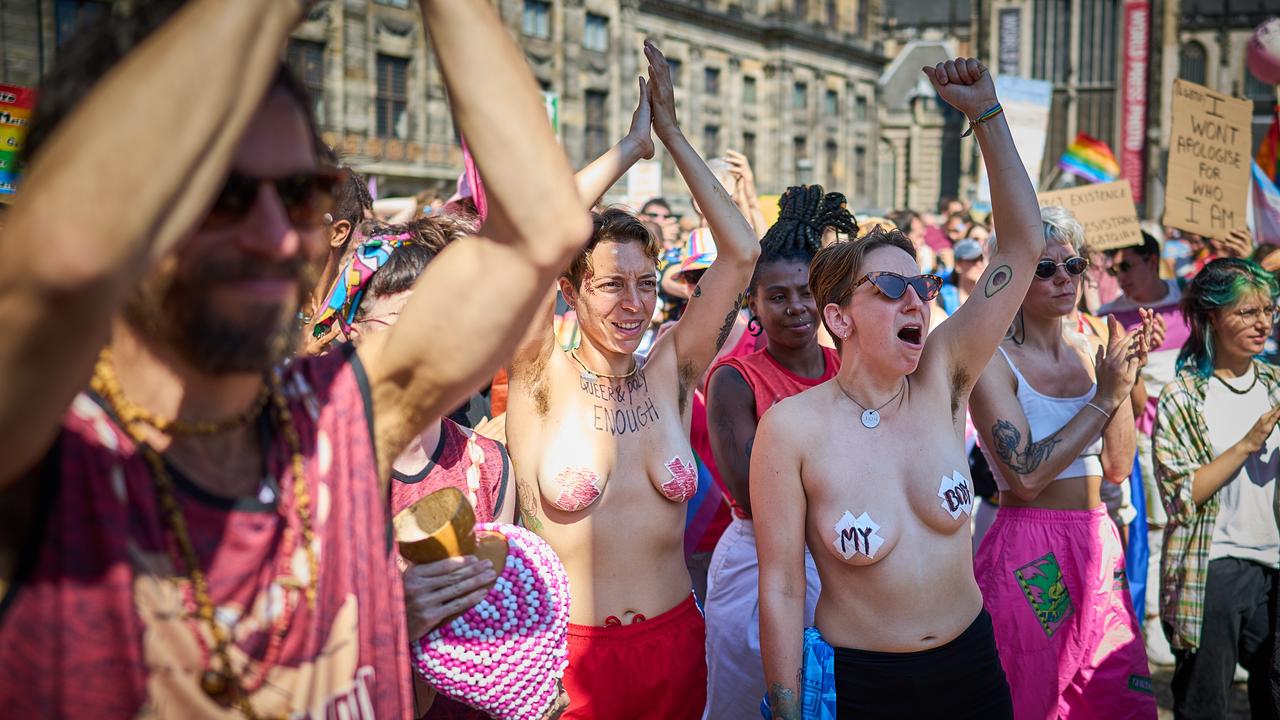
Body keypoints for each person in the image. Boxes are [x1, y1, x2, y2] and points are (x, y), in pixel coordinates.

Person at [0, 1, 589, 717]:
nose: (279, 237)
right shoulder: (48, 448)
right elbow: (50, 268)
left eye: (299, 195)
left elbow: (544, 228)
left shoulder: (331, 414)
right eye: (226, 195)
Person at [754, 57, 1040, 719]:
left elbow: (1022, 246)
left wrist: (987, 116)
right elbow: (781, 589)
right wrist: (788, 709)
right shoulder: (793, 428)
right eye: (890, 288)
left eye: (923, 287)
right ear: (838, 317)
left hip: (970, 668)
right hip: (864, 687)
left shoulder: (942, 380)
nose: (916, 301)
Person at [506, 41, 759, 719]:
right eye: (612, 284)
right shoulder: (540, 375)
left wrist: (673, 136)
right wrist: (629, 149)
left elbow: (741, 253)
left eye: (646, 286)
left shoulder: (671, 372)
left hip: (674, 647)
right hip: (567, 664)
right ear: (570, 290)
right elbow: (531, 236)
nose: (633, 304)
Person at [968, 206, 1157, 719]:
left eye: (1073, 267)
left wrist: (1123, 379)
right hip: (1035, 553)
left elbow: (1118, 466)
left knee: (1117, 696)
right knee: (1040, 694)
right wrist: (1104, 398)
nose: (1064, 280)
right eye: (1045, 269)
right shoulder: (992, 361)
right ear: (1011, 277)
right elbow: (1025, 476)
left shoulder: (1091, 345)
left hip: (1098, 538)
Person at [333, 225, 525, 720]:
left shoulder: (488, 463)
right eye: (401, 319)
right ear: (353, 331)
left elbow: (497, 624)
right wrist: (393, 619)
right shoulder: (320, 469)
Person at [701, 186, 845, 720]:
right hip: (758, 566)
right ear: (753, 305)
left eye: (806, 292)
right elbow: (751, 495)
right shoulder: (735, 382)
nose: (796, 308)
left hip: (845, 564)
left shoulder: (847, 369)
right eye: (777, 296)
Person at [1153, 258, 1280, 720]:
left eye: (1268, 309)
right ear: (1211, 317)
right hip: (1213, 569)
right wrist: (1247, 444)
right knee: (1205, 702)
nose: (1262, 322)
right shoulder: (1184, 396)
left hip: (1273, 568)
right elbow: (1180, 495)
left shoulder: (1274, 383)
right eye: (1247, 312)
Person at [1099, 230, 1191, 666]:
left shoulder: (1189, 298)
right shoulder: (1109, 315)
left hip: (1198, 439)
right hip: (1147, 443)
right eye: (1113, 269)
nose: (1120, 277)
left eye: (1127, 266)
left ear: (1153, 261)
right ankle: (1153, 626)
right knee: (1155, 532)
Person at [939, 237, 986, 315]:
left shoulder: (991, 297)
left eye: (981, 259)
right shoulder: (943, 298)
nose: (979, 264)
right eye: (973, 260)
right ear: (958, 265)